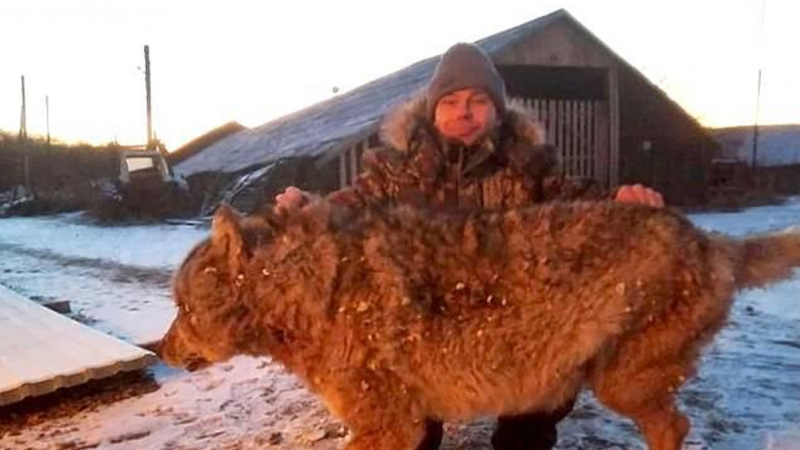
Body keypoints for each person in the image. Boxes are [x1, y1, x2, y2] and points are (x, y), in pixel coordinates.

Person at [275, 42, 662, 450]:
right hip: (424, 318)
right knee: (409, 419)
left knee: (543, 388)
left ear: (497, 109)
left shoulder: (529, 164)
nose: (464, 111)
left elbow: (577, 203)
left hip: (514, 312)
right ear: (433, 110)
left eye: (478, 100)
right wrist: (305, 206)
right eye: (452, 101)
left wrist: (620, 201)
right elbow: (345, 210)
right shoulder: (394, 169)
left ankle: (523, 437)